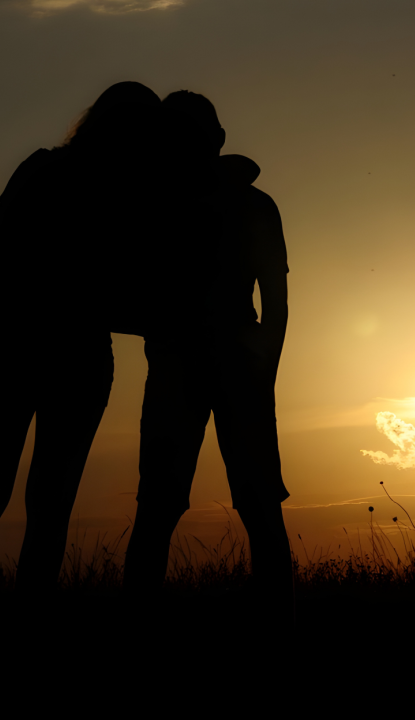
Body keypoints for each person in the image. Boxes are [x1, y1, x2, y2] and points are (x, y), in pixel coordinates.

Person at [0, 82, 162, 591]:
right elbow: (0, 268)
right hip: (37, 360)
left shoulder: (64, 177)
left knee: (8, 502)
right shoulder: (94, 189)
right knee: (22, 503)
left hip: (37, 360)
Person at [123, 91, 294, 624]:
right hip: (194, 358)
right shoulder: (161, 204)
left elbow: (276, 297)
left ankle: (271, 599)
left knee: (248, 489)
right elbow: (276, 299)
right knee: (167, 491)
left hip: (219, 357)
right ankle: (144, 602)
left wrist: (265, 360)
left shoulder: (235, 203)